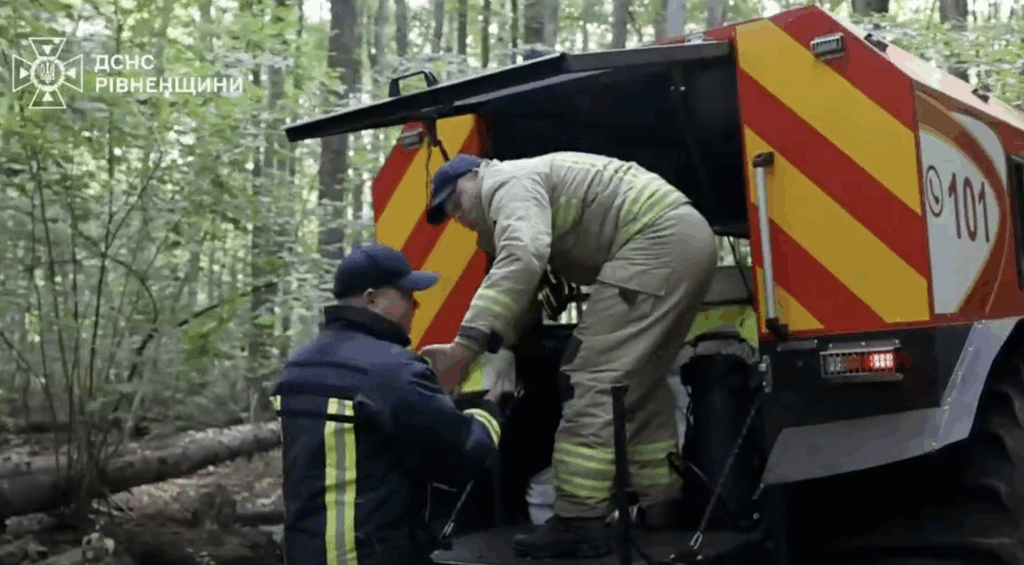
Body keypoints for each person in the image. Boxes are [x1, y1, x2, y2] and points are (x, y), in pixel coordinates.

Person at [418, 152, 718, 559]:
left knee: (587, 378)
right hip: (683, 239)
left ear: (476, 175)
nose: (458, 215)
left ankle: (579, 520)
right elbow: (532, 284)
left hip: (655, 242)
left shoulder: (506, 183)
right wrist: (503, 345)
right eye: (450, 214)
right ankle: (662, 504)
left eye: (457, 201)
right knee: (639, 380)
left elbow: (523, 255)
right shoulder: (525, 190)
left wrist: (464, 348)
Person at [271, 244, 503, 565]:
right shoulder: (392, 370)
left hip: (304, 552)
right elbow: (463, 458)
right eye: (407, 295)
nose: (415, 306)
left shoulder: (298, 365)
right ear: (372, 298)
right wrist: (487, 407)